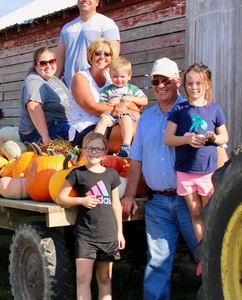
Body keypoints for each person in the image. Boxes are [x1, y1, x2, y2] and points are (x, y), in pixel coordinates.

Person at [120, 57, 198, 299]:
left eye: (166, 81)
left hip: (190, 201)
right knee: (157, 264)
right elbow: (136, 161)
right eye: (156, 82)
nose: (161, 86)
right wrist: (130, 195)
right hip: (158, 204)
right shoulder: (146, 119)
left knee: (209, 254)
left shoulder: (192, 112)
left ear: (177, 81)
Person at [164, 63, 228, 246]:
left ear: (207, 84)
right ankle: (202, 252)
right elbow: (168, 139)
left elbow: (224, 136)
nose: (194, 87)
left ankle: (213, 247)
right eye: (190, 83)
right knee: (196, 213)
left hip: (207, 170)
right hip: (185, 172)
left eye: (198, 83)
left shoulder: (214, 109)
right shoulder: (179, 110)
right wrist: (188, 140)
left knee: (209, 212)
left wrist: (213, 137)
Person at [56, 132, 124, 299]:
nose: (94, 152)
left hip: (108, 234)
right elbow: (61, 197)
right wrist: (82, 200)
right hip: (85, 235)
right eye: (90, 148)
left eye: (99, 149)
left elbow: (116, 204)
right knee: (83, 278)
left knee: (105, 278)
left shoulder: (111, 174)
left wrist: (119, 232)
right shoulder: (77, 174)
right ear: (84, 150)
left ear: (105, 152)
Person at [56, 0, 120, 88]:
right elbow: (60, 61)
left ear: (97, 2)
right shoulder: (67, 28)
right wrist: (53, 82)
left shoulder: (107, 24)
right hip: (69, 86)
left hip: (96, 86)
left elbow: (114, 57)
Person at [69, 38, 119, 147]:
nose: (102, 57)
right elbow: (92, 107)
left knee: (135, 127)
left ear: (111, 58)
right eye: (98, 53)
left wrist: (127, 108)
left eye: (107, 54)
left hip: (109, 123)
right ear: (91, 56)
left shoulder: (112, 80)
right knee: (125, 133)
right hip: (84, 129)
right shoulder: (80, 78)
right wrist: (120, 110)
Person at [94, 57, 148, 157]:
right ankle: (95, 143)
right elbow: (101, 105)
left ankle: (126, 145)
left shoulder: (132, 89)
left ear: (129, 76)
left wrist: (129, 99)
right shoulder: (107, 90)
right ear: (110, 76)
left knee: (126, 118)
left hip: (125, 115)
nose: (119, 79)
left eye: (122, 76)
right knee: (103, 119)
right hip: (111, 114)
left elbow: (145, 101)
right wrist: (111, 104)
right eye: (115, 76)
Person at [18, 47, 72, 144]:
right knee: (82, 133)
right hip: (36, 133)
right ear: (35, 65)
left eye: (52, 61)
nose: (48, 65)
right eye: (43, 63)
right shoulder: (34, 81)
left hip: (60, 125)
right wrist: (45, 138)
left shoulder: (55, 80)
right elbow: (33, 107)